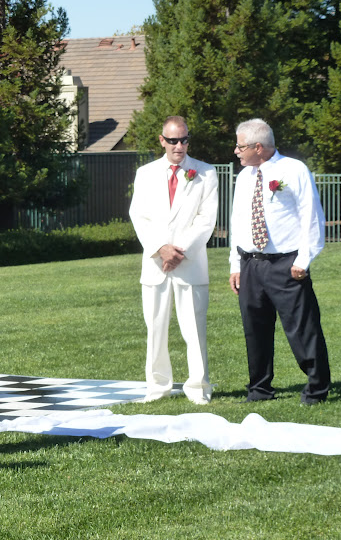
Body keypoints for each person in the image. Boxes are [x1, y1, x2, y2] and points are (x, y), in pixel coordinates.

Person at [228, 118, 330, 405]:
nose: (236, 151)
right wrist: (236, 264)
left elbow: (311, 215)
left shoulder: (294, 170)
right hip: (251, 264)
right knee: (255, 329)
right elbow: (238, 222)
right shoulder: (244, 177)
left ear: (258, 147)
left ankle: (316, 388)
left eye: (240, 146)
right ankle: (259, 388)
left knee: (302, 328)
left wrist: (304, 259)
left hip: (286, 264)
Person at [129, 116, 219, 405]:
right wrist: (160, 249)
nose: (179, 146)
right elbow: (138, 215)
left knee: (194, 329)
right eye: (172, 141)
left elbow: (206, 220)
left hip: (190, 264)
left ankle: (198, 388)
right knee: (155, 329)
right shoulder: (145, 173)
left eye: (183, 140)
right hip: (155, 264)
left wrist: (178, 252)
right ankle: (157, 387)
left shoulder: (206, 172)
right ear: (162, 141)